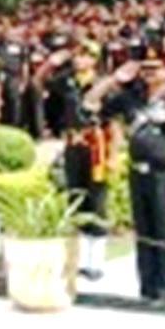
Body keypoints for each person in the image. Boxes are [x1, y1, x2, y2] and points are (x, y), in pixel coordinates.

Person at [86, 57, 165, 306]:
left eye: (154, 68)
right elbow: (91, 102)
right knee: (143, 230)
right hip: (138, 171)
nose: (148, 73)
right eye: (144, 68)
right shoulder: (130, 98)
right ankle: (147, 287)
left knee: (162, 229)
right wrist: (114, 79)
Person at [41, 43, 110, 280]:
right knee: (75, 196)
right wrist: (50, 63)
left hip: (96, 145)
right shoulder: (67, 81)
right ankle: (77, 258)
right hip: (73, 144)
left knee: (97, 200)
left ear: (95, 59)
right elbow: (38, 83)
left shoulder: (104, 84)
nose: (79, 60)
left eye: (85, 55)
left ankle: (96, 260)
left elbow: (114, 119)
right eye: (77, 55)